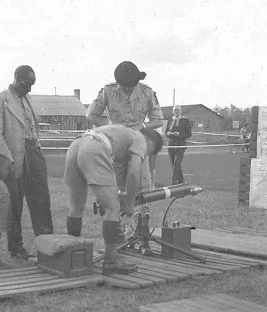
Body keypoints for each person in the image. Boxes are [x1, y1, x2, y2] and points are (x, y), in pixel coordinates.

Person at [64, 124, 163, 275]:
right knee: (113, 208)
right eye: (149, 153)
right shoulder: (141, 139)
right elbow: (133, 174)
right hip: (94, 147)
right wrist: (129, 205)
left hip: (77, 144)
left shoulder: (122, 132)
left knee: (76, 206)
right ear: (151, 142)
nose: (145, 156)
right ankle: (111, 260)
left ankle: (71, 256)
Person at [0, 65, 53, 260]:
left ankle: (47, 245)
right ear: (17, 79)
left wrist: (37, 147)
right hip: (13, 155)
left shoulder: (29, 99)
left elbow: (34, 128)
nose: (30, 88)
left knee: (41, 199)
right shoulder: (1, 99)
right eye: (28, 83)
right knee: (14, 202)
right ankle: (16, 247)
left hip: (33, 151)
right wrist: (5, 158)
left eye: (33, 84)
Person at [86, 61, 164, 189]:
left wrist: (142, 126)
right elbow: (91, 115)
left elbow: (159, 120)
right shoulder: (108, 90)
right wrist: (111, 128)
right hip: (116, 145)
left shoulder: (147, 92)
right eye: (124, 86)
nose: (127, 89)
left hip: (138, 143)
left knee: (142, 186)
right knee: (115, 187)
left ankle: (137, 208)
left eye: (131, 86)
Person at [165, 105, 192, 185]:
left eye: (177, 110)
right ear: (173, 111)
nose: (176, 111)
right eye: (175, 110)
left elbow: (189, 134)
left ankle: (174, 183)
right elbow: (165, 132)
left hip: (180, 145)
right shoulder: (170, 120)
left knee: (177, 163)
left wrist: (179, 134)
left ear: (181, 111)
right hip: (171, 145)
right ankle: (181, 181)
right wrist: (168, 133)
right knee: (173, 164)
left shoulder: (186, 120)